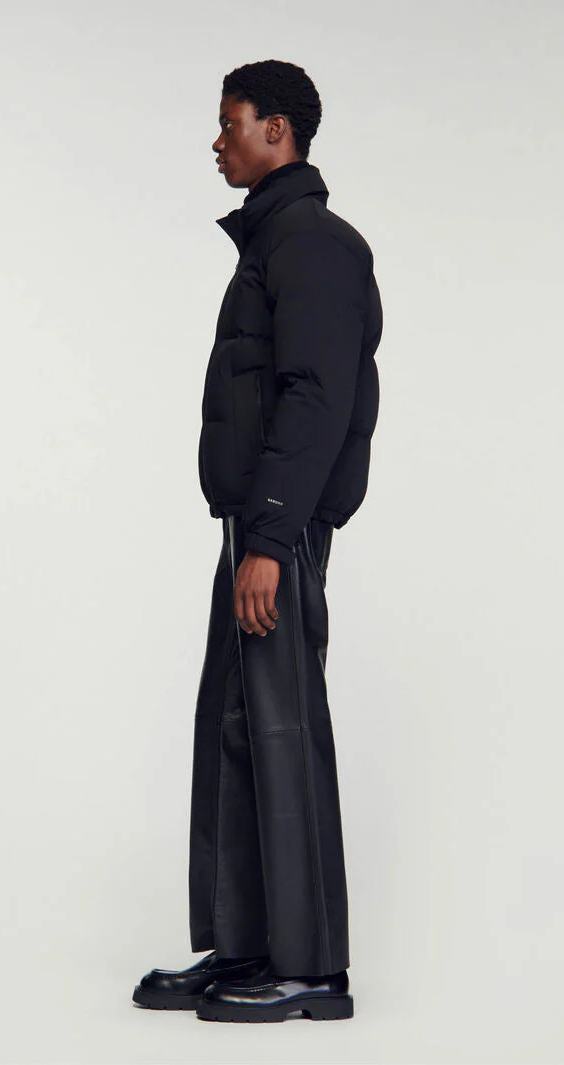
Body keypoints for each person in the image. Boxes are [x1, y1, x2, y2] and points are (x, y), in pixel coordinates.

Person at [133, 59, 382, 1024]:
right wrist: (253, 531)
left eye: (230, 122)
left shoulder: (315, 245)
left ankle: (311, 969)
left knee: (282, 730)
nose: (217, 141)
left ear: (276, 129)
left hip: (281, 529)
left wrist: (274, 538)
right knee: (237, 728)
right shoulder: (276, 242)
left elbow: (317, 399)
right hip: (254, 524)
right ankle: (244, 946)